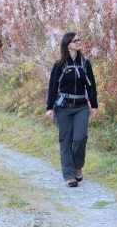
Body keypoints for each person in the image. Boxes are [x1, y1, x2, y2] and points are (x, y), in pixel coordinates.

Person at [46, 32, 99, 187]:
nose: (78, 42)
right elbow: (53, 87)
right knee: (65, 141)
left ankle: (78, 166)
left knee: (80, 138)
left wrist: (94, 105)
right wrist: (50, 108)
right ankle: (69, 176)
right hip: (63, 108)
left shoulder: (85, 63)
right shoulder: (59, 64)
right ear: (67, 44)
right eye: (74, 40)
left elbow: (91, 85)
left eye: (79, 40)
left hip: (81, 107)